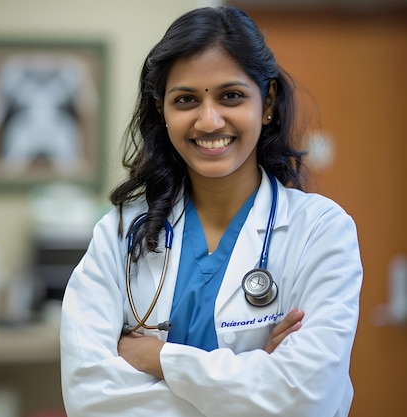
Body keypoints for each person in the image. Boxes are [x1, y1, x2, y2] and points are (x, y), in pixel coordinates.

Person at [59, 5, 363, 417]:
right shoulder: (120, 233)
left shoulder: (322, 232)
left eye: (231, 96)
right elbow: (89, 397)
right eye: (185, 99)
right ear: (160, 111)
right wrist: (254, 379)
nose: (208, 120)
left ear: (267, 101)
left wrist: (158, 358)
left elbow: (308, 399)